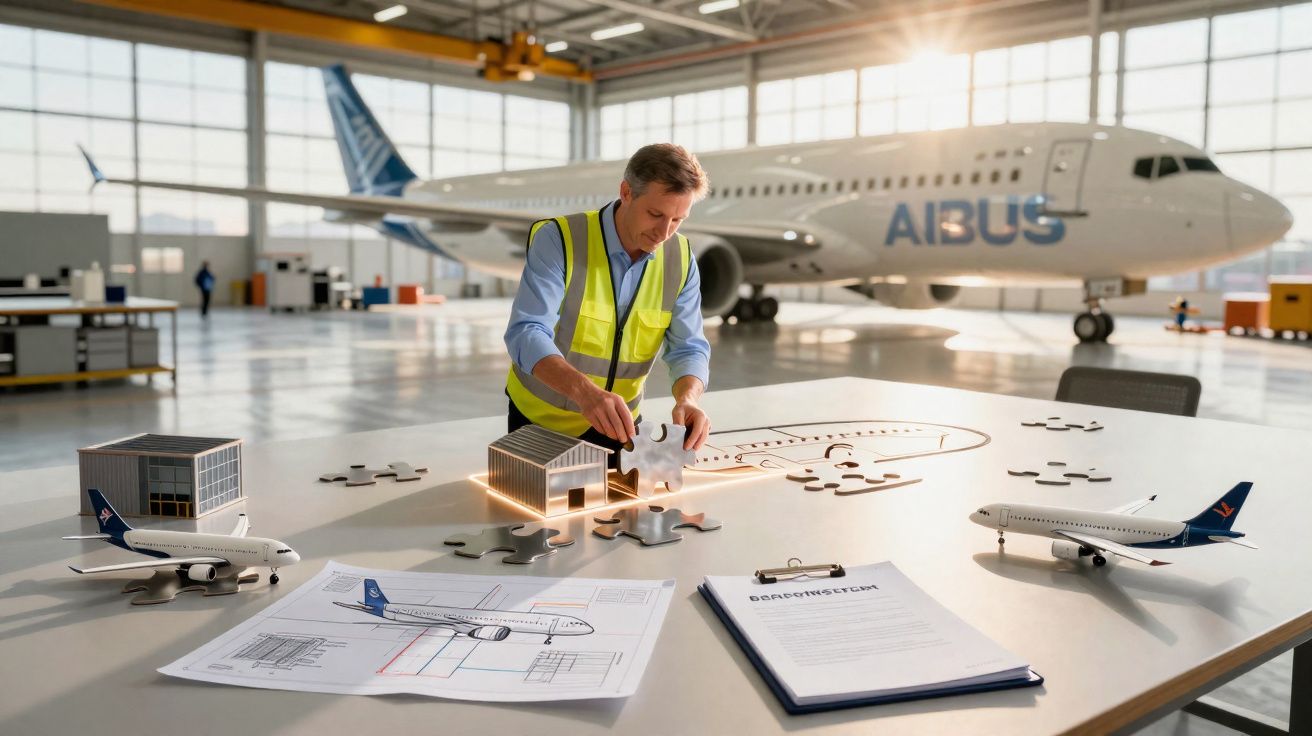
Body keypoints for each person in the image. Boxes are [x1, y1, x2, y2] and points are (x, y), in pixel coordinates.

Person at [504, 143, 712, 460]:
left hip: (620, 425)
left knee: (623, 509)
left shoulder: (680, 259)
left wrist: (689, 399)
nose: (663, 232)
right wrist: (584, 393)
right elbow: (526, 331)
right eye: (655, 214)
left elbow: (689, 347)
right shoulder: (559, 238)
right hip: (538, 421)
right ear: (626, 192)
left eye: (677, 219)